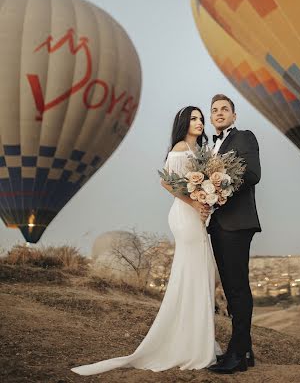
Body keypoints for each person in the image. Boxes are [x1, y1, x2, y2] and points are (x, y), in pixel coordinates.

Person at [71, 106, 219, 376]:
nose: (198, 122)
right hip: (185, 216)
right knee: (194, 273)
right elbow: (166, 183)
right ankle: (192, 345)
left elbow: (201, 185)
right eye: (193, 118)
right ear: (183, 123)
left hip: (197, 213)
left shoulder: (200, 151)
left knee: (201, 273)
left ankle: (196, 339)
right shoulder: (179, 149)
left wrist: (207, 198)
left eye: (200, 118)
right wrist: (194, 203)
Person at [207, 94, 261, 375]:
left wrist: (223, 184)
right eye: (214, 110)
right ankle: (246, 350)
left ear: (234, 115)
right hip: (217, 224)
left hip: (237, 223)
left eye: (224, 109)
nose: (219, 113)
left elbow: (253, 174)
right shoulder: (210, 145)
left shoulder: (244, 137)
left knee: (238, 289)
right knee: (230, 289)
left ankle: (237, 354)